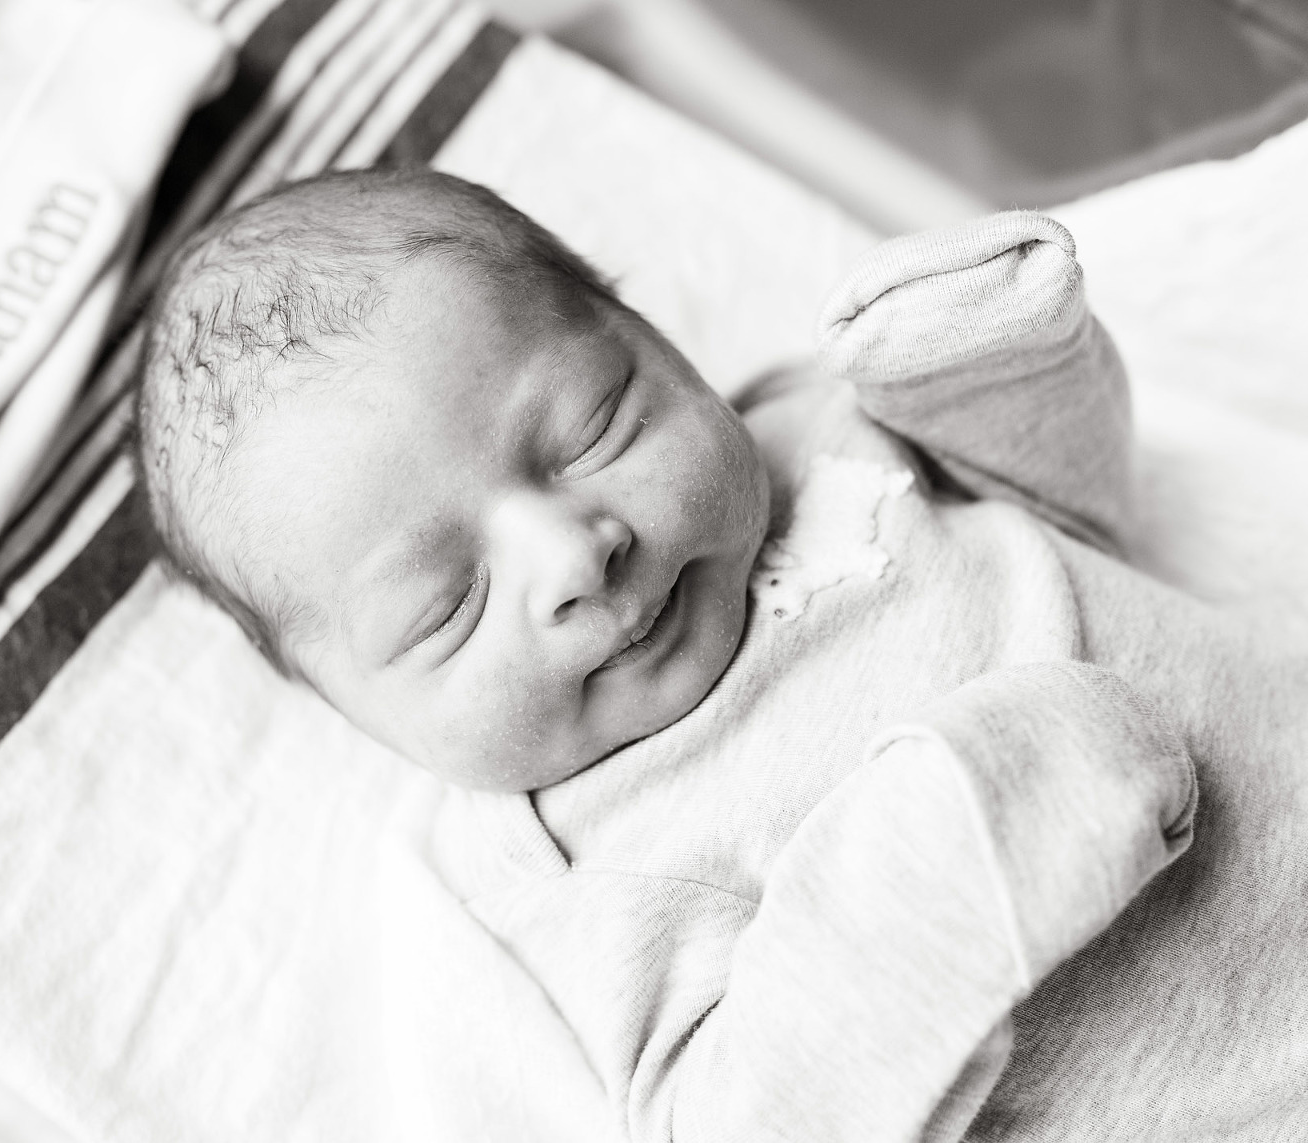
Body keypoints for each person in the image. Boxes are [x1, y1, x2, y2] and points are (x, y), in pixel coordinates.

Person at [135, 167, 1307, 1140]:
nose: (574, 557)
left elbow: (1082, 517)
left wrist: (1000, 367)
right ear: (357, 714)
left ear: (661, 345)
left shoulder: (817, 436)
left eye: (595, 426)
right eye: (444, 605)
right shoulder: (548, 886)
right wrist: (927, 869)